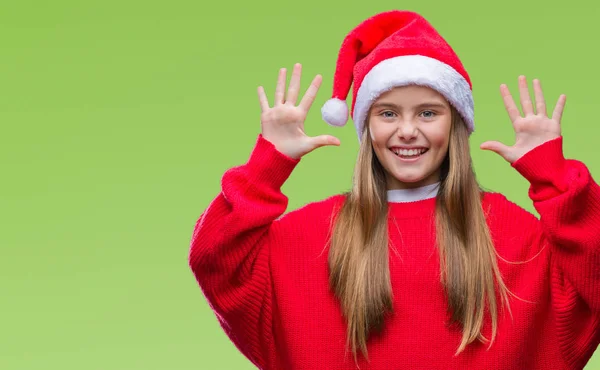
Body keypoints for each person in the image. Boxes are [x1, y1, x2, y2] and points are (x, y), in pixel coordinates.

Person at [188, 10, 600, 370]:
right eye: (387, 113)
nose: (407, 130)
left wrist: (554, 178)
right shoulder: (309, 236)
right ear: (366, 128)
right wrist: (267, 163)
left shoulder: (513, 234)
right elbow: (215, 260)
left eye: (427, 112)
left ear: (455, 124)